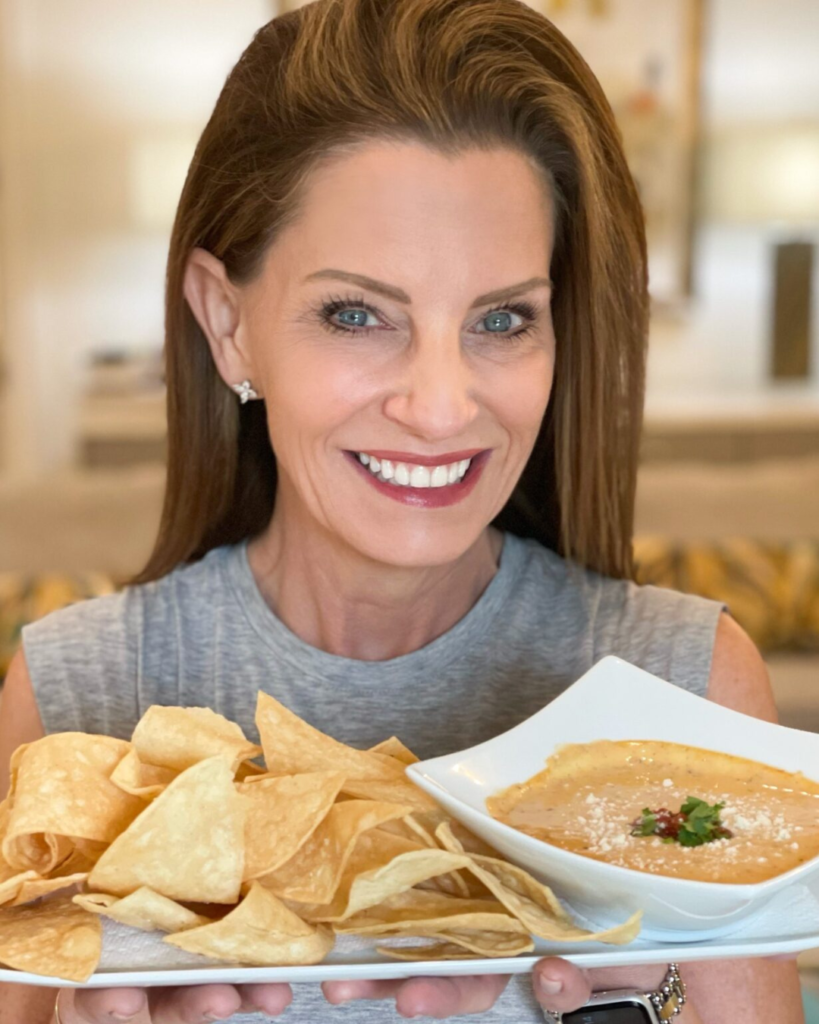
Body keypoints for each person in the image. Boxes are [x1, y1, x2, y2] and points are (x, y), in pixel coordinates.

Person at [0, 0, 805, 1022]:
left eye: (503, 319)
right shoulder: (74, 697)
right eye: (357, 315)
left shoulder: (689, 694)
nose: (440, 405)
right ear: (228, 322)